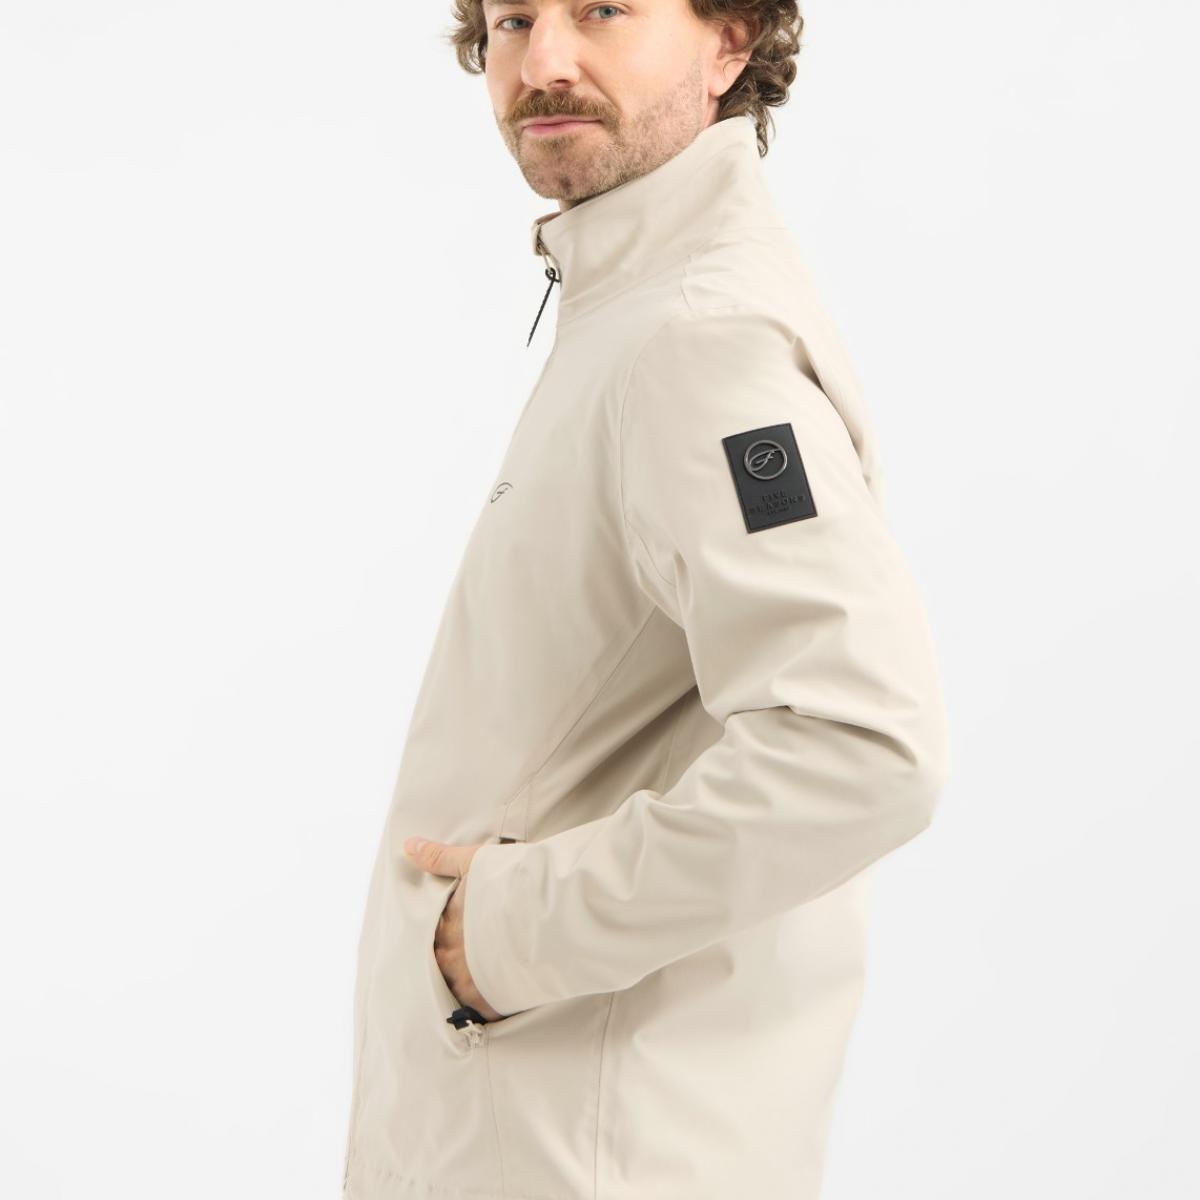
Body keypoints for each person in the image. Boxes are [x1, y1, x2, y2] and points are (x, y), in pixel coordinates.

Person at [342, 2, 951, 1197]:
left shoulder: (697, 340)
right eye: (514, 18)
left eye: (604, 10)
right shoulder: (635, 308)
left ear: (731, 40)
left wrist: (506, 934)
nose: (543, 61)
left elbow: (865, 744)